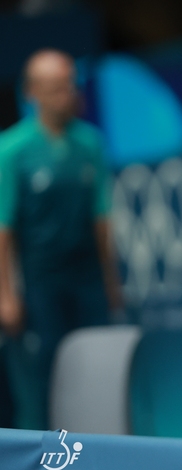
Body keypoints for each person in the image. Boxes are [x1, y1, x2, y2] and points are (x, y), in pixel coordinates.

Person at [0, 49, 121, 430]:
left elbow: (101, 220)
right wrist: (5, 296)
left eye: (69, 85)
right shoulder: (11, 150)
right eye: (54, 88)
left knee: (98, 374)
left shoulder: (91, 143)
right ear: (31, 91)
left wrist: (110, 282)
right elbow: (3, 229)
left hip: (86, 279)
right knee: (40, 384)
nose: (64, 95)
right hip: (38, 282)